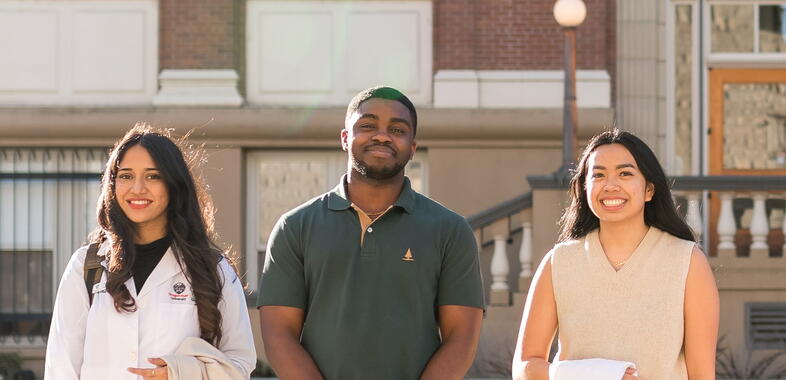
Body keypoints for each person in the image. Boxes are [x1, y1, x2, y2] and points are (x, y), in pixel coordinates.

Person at [257, 86, 485, 380]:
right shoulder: (295, 227)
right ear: (344, 138)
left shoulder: (450, 230)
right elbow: (279, 334)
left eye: (397, 129)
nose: (382, 135)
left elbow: (461, 338)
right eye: (367, 126)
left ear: (412, 147)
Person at [45, 125, 256, 380]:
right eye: (125, 176)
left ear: (174, 185)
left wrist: (181, 373)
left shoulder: (213, 270)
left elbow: (240, 364)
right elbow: (61, 366)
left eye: (153, 176)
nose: (137, 188)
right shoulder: (86, 266)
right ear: (112, 184)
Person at [512, 129, 719, 380]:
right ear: (584, 188)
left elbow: (702, 375)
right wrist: (598, 375)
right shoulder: (559, 263)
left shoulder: (687, 262)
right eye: (598, 175)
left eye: (625, 173)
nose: (610, 185)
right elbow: (524, 367)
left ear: (649, 190)